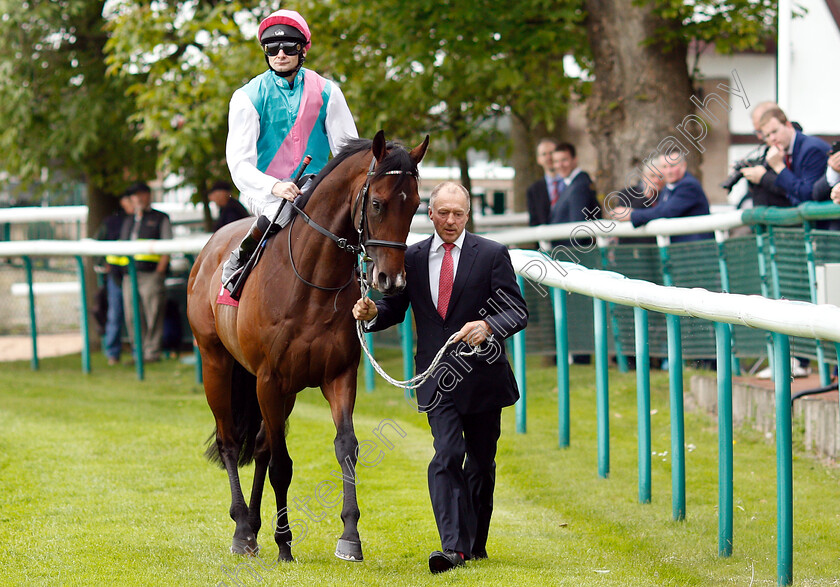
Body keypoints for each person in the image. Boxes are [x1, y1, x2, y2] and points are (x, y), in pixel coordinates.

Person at [352, 182, 528, 573]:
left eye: (458, 214)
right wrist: (372, 314)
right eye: (443, 212)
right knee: (447, 454)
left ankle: (474, 543)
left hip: (483, 377)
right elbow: (395, 309)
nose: (451, 221)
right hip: (436, 379)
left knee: (481, 464)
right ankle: (452, 549)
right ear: (430, 214)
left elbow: (517, 311)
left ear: (468, 216)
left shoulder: (493, 255)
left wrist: (488, 325)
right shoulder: (411, 258)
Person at [222, 8, 358, 296]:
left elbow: (349, 152)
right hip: (265, 192)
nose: (280, 54)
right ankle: (237, 264)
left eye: (288, 47)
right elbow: (239, 165)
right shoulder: (247, 97)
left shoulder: (328, 92)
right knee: (281, 213)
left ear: (302, 49)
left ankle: (367, 283)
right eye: (272, 47)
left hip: (316, 189)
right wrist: (275, 186)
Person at [119, 181, 172, 363]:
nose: (138, 198)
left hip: (150, 274)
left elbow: (167, 246)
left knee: (153, 313)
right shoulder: (128, 220)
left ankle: (152, 352)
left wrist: (159, 272)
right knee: (132, 315)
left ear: (148, 195)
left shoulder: (160, 218)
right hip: (130, 275)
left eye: (142, 194)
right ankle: (138, 352)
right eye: (135, 195)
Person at [612, 154, 712, 243]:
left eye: (672, 166)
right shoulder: (670, 187)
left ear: (683, 166)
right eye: (664, 166)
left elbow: (665, 212)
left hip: (695, 249)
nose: (668, 171)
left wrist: (631, 215)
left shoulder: (688, 185)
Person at [741, 106, 829, 207]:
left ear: (788, 125)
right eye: (768, 136)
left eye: (774, 131)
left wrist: (779, 167)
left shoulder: (811, 149)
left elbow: (808, 194)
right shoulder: (782, 152)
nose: (772, 138)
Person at [96, 193, 134, 365]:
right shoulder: (112, 222)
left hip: (133, 273)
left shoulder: (137, 220)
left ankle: (136, 352)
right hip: (117, 276)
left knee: (132, 315)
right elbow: (97, 243)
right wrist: (102, 263)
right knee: (115, 313)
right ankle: (113, 353)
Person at [547, 142, 601, 226]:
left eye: (564, 160)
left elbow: (578, 226)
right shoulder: (571, 184)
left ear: (575, 159)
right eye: (556, 161)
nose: (560, 165)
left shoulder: (579, 187)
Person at [525, 138, 558, 227]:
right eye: (544, 154)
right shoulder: (533, 190)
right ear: (538, 159)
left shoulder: (572, 183)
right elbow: (534, 223)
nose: (548, 157)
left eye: (551, 153)